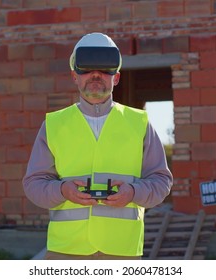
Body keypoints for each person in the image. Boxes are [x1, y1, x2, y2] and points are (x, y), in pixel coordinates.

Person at [23, 32, 173, 260]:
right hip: (66, 252)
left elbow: (162, 181)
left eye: (104, 69)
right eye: (86, 69)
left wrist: (133, 192)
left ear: (116, 77)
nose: (95, 75)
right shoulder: (54, 125)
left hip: (122, 251)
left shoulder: (139, 123)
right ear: (75, 76)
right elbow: (33, 184)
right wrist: (63, 191)